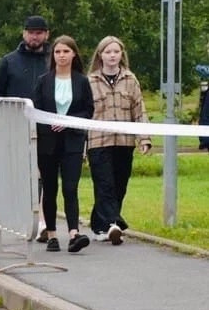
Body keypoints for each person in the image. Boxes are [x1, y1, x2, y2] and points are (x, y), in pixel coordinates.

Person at [85, 36, 152, 245]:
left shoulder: (130, 80)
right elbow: (83, 114)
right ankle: (113, 224)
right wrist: (81, 147)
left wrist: (144, 138)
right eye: (108, 52)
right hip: (98, 141)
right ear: (100, 55)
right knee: (105, 184)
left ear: (122, 54)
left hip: (124, 141)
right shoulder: (90, 81)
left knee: (119, 185)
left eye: (116, 51)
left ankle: (99, 225)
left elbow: (139, 110)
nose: (112, 55)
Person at [33, 35, 94, 253]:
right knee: (50, 189)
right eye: (58, 52)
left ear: (74, 54)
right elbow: (37, 111)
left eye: (66, 52)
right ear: (53, 55)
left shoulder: (81, 81)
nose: (62, 56)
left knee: (70, 188)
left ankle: (74, 233)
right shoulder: (44, 81)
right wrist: (51, 123)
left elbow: (88, 110)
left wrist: (66, 123)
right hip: (48, 143)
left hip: (72, 142)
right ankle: (51, 234)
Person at [0, 15, 51, 101]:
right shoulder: (8, 62)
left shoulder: (54, 62)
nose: (34, 37)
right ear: (24, 34)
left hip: (46, 114)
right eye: (31, 32)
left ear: (47, 34)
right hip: (15, 113)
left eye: (39, 33)